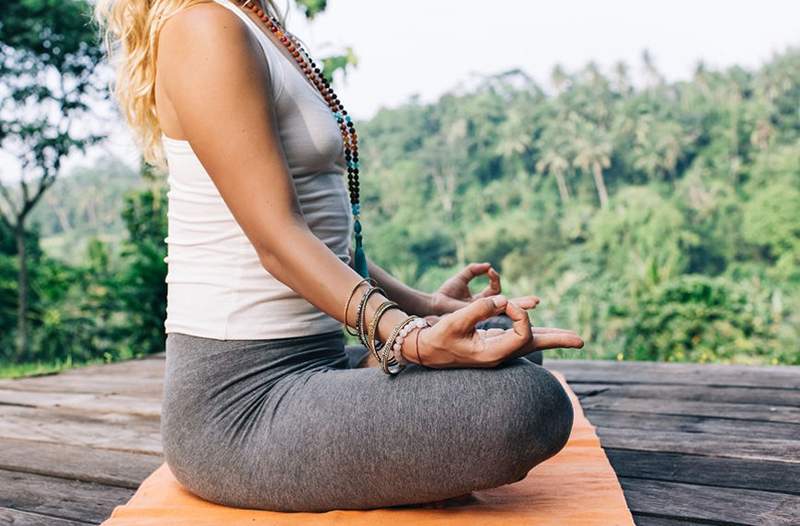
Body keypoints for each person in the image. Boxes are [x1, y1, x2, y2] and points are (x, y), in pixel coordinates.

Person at [95, 0, 585, 512]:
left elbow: (320, 241)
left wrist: (428, 309)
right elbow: (278, 241)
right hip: (239, 404)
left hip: (317, 362)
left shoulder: (254, 23)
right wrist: (403, 336)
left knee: (514, 348)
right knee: (530, 403)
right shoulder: (203, 26)